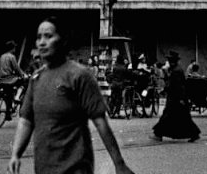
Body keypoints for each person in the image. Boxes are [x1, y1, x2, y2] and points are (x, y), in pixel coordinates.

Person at [9, 16, 135, 174]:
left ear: (62, 40)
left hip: (75, 167)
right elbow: (26, 121)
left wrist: (119, 164)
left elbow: (100, 122)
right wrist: (15, 154)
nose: (42, 42)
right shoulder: (36, 78)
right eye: (39, 37)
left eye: (48, 36)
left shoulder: (79, 76)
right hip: (44, 167)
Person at [152, 50, 200, 143]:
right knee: (182, 118)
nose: (169, 62)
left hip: (176, 98)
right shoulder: (175, 70)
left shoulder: (176, 71)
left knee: (169, 116)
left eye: (170, 60)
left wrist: (181, 98)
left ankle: (158, 134)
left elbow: (179, 86)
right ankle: (194, 134)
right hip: (175, 98)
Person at [0, 40, 26, 118]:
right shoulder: (12, 57)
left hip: (1, 79)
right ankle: (17, 96)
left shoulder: (2, 56)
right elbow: (16, 68)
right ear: (12, 48)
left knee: (8, 95)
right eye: (14, 47)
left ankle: (8, 113)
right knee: (23, 83)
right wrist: (22, 75)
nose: (15, 49)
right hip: (9, 79)